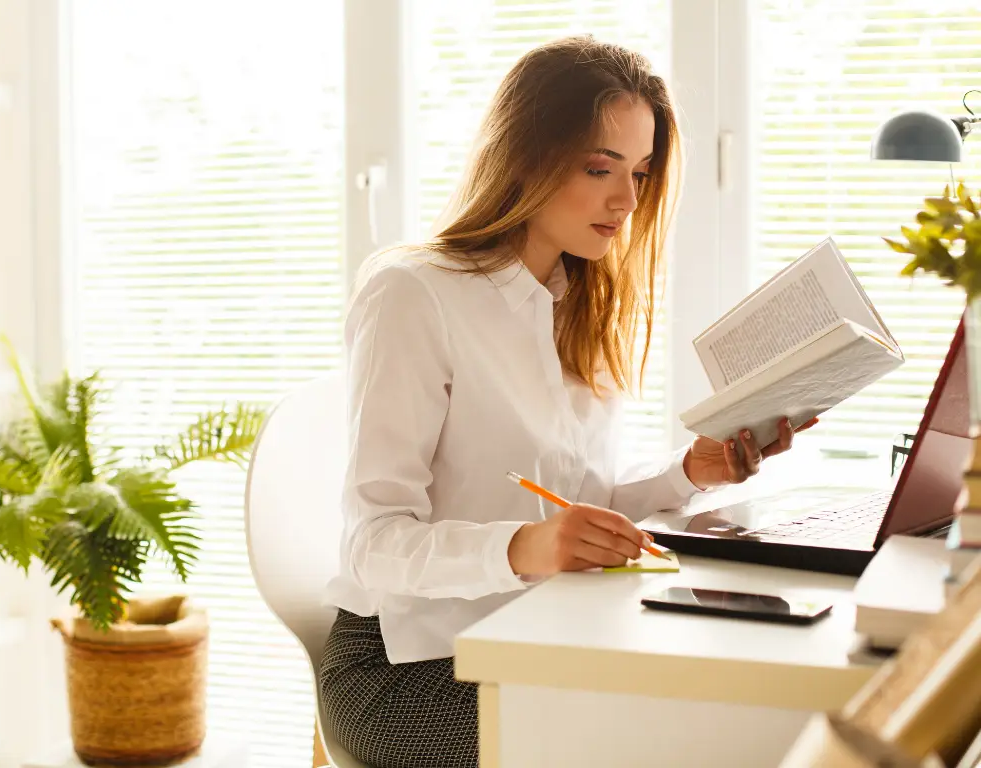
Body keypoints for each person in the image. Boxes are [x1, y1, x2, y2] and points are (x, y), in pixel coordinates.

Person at [320, 35, 815, 768]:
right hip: (404, 667)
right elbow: (374, 541)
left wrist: (690, 471)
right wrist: (525, 547)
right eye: (598, 168)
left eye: (640, 173)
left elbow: (582, 500)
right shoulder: (414, 294)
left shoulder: (576, 304)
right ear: (526, 156)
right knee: (675, 735)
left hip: (540, 629)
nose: (626, 200)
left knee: (750, 699)